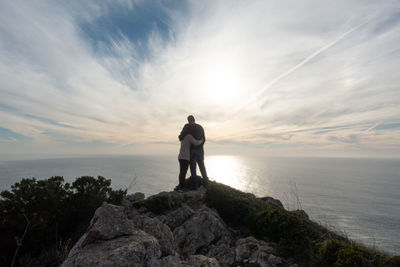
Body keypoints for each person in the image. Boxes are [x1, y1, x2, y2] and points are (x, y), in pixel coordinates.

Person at [178, 115, 209, 189]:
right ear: (194, 119)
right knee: (202, 167)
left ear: (188, 120)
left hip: (192, 150)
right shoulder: (200, 127)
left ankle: (194, 186)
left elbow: (181, 137)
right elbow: (204, 138)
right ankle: (206, 183)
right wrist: (201, 144)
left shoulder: (187, 127)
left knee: (193, 169)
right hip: (200, 150)